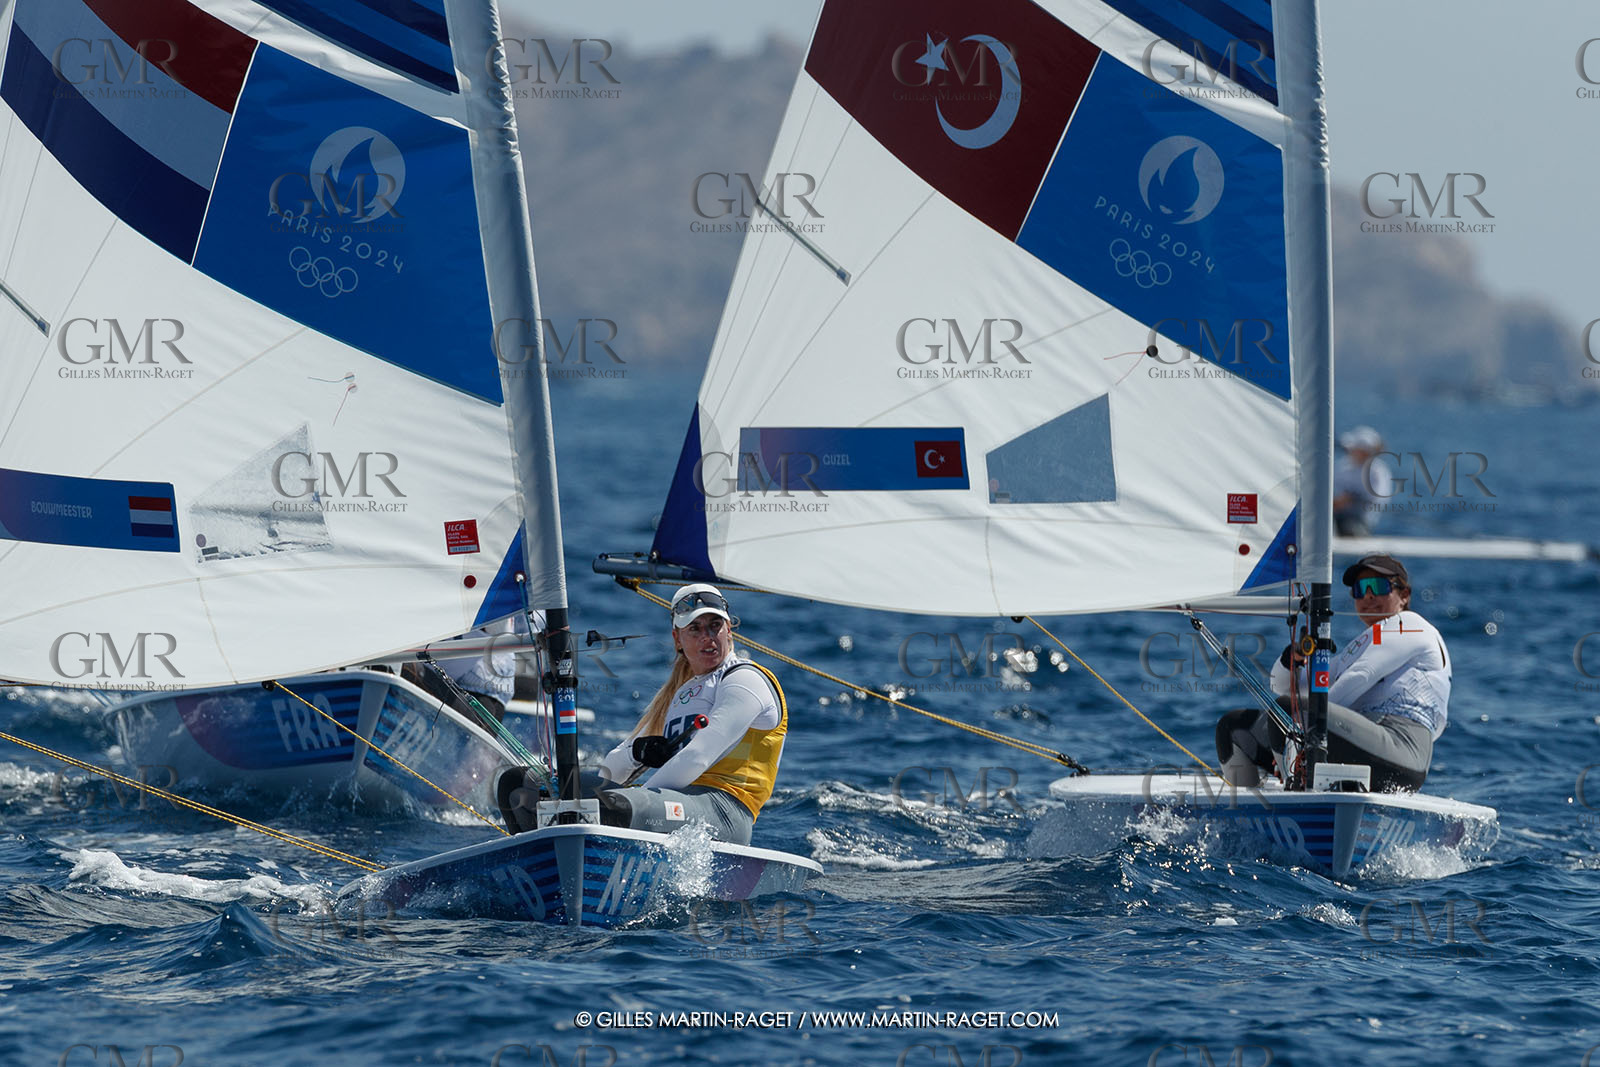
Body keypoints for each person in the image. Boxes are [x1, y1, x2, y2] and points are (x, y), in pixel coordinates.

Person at [498, 583, 787, 844]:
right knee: (519, 786)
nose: (707, 637)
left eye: (715, 626)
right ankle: (539, 870)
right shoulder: (679, 694)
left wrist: (633, 797)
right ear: (677, 638)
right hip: (672, 799)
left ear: (729, 630)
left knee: (611, 807)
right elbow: (612, 769)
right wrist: (639, 751)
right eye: (695, 629)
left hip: (725, 811)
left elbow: (697, 757)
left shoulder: (746, 680)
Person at [1215, 554, 1450, 792]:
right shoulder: (1363, 645)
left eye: (1378, 586)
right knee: (1234, 726)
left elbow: (1361, 676)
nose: (1368, 595)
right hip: (1356, 742)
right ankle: (1250, 813)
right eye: (1360, 589)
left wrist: (1300, 740)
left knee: (1288, 712)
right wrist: (1291, 659)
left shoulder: (1409, 624)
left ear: (1404, 595)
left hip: (1401, 750)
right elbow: (1283, 687)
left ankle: (1295, 787)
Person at [1332, 426, 1394, 536]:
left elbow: (1379, 500)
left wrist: (1351, 500)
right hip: (1333, 516)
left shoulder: (1378, 472)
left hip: (1359, 521)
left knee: (1349, 528)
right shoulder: (1343, 466)